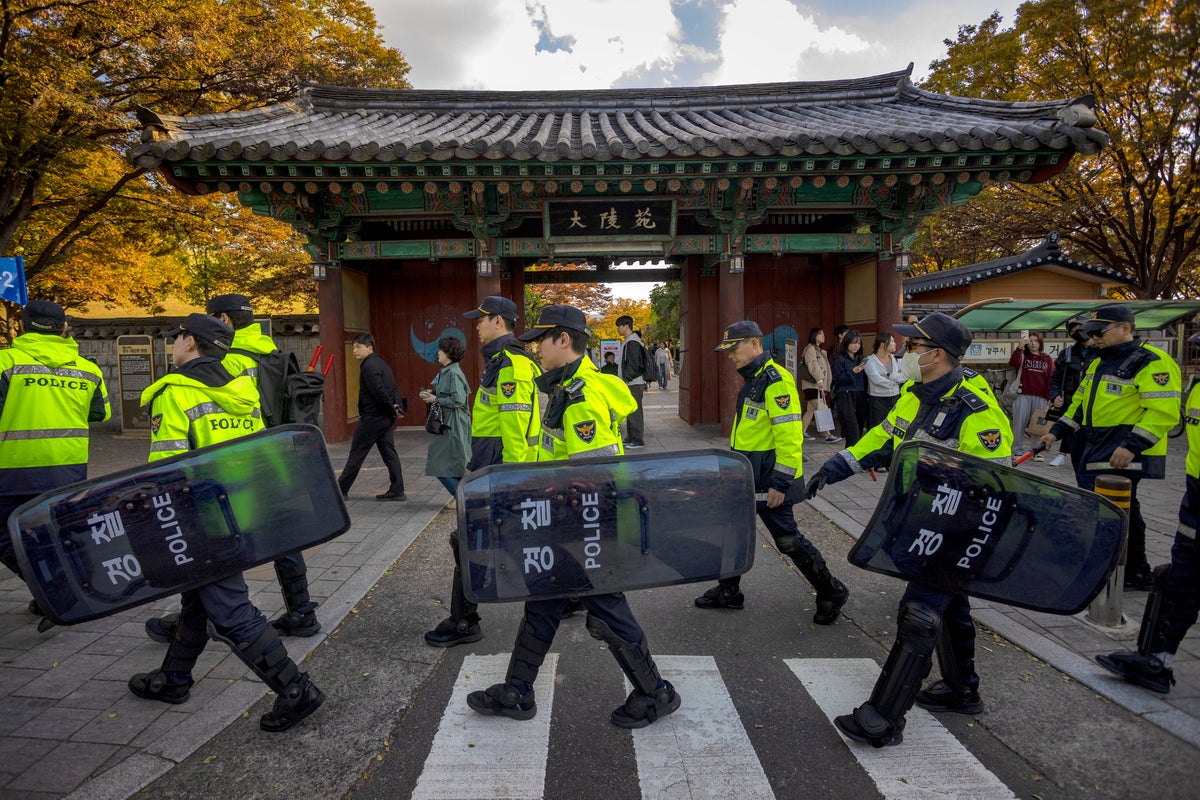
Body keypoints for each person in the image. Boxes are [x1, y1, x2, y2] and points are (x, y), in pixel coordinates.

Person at [466, 304, 680, 728]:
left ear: (563, 339)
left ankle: (654, 692)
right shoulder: (567, 388)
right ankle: (517, 691)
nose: (534, 351)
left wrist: (540, 500)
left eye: (539, 342)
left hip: (584, 527)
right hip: (563, 521)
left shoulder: (580, 397)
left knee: (607, 611)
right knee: (542, 602)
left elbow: (593, 479)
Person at [805, 312, 1013, 748]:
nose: (903, 352)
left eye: (914, 347)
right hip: (921, 522)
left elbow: (997, 486)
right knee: (950, 607)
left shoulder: (975, 410)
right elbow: (883, 435)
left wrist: (959, 542)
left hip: (954, 531)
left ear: (937, 355)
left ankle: (882, 719)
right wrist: (838, 466)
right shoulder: (915, 395)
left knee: (919, 613)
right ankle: (962, 689)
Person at [127, 314, 323, 732]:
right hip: (244, 509)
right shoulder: (243, 389)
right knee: (198, 599)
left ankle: (296, 689)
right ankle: (173, 678)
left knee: (231, 611)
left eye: (177, 337)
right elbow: (259, 453)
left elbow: (165, 470)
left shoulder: (175, 392)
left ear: (192, 343)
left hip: (199, 519)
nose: (173, 344)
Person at [144, 294, 321, 643]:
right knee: (282, 539)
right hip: (274, 455)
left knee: (211, 550)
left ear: (222, 319)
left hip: (233, 463)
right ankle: (301, 610)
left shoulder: (228, 359)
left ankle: (202, 623)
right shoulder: (271, 351)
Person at [692, 320, 849, 624]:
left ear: (754, 343)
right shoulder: (754, 377)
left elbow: (790, 437)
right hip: (747, 474)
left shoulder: (775, 380)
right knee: (733, 532)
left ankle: (831, 590)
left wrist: (780, 482)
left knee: (787, 539)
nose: (730, 357)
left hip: (769, 480)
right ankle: (729, 591)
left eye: (733, 349)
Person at [424, 296, 541, 647]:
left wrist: (512, 479)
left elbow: (515, 427)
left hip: (500, 470)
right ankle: (572, 595)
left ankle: (464, 621)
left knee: (468, 541)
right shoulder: (503, 361)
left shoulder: (510, 365)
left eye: (482, 319)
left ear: (499, 322)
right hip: (494, 466)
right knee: (511, 541)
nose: (476, 326)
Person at [1038, 305, 1180, 591]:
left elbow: (1163, 412)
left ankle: (1115, 571)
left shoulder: (1152, 362)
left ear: (1125, 329)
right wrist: (1055, 432)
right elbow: (1079, 403)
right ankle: (1129, 569)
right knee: (1118, 509)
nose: (1093, 339)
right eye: (1090, 334)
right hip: (1097, 445)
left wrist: (1132, 446)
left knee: (1109, 509)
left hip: (1125, 451)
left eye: (1099, 333)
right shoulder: (1098, 361)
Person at [1096, 333, 1200, 694]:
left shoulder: (1154, 366)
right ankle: (1156, 661)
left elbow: (1161, 413)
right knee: (1178, 577)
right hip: (1196, 491)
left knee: (1183, 577)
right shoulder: (1198, 384)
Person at [0, 300, 110, 630]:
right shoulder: (88, 369)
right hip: (68, 470)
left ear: (22, 325)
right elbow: (100, 414)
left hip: (12, 469)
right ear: (63, 328)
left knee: (7, 536)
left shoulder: (6, 362)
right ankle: (71, 587)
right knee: (60, 532)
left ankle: (54, 588)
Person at [338, 333, 406, 500]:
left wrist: (392, 409)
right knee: (389, 452)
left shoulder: (368, 366)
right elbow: (393, 389)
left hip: (373, 417)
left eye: (358, 347)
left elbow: (379, 391)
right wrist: (398, 409)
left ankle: (340, 490)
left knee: (357, 452)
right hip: (384, 418)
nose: (354, 350)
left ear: (369, 347)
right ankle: (397, 490)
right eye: (353, 347)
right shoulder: (382, 364)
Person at [421, 335, 471, 499]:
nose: (438, 353)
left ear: (448, 352)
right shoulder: (447, 372)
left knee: (441, 464)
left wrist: (436, 399)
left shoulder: (453, 373)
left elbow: (458, 399)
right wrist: (432, 393)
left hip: (453, 423)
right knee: (451, 464)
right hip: (449, 422)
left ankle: (463, 498)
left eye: (441, 350)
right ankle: (465, 496)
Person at [1046, 318, 1095, 467]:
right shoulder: (1067, 353)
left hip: (1093, 402)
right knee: (1069, 429)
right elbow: (1055, 378)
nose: (1077, 333)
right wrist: (1055, 396)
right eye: (1073, 331)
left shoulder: (1101, 352)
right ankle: (1063, 455)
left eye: (1080, 328)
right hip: (1070, 400)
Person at [1008, 331, 1055, 460]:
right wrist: (1020, 346)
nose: (1033, 344)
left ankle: (1036, 450)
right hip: (1022, 394)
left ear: (1041, 343)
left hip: (1040, 397)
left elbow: (1050, 379)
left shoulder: (1047, 359)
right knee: (1019, 423)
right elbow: (1013, 363)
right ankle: (1017, 449)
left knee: (1038, 426)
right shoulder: (1023, 356)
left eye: (1036, 341)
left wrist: (1049, 398)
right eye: (1031, 341)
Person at [800, 327, 839, 443]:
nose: (823, 336)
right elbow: (812, 365)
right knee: (821, 408)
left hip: (815, 385)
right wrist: (820, 380)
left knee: (810, 410)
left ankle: (800, 432)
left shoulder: (819, 351)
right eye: (820, 334)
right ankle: (827, 434)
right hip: (813, 385)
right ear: (814, 336)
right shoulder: (810, 349)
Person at [831, 330, 869, 446]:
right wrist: (852, 372)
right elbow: (838, 379)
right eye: (853, 343)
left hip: (861, 395)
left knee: (859, 429)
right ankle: (849, 460)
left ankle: (853, 458)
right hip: (846, 396)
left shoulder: (860, 359)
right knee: (852, 432)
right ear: (847, 343)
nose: (856, 346)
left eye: (858, 343)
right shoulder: (840, 358)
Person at [616, 315, 647, 448]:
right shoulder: (630, 341)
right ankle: (631, 437)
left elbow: (633, 364)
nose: (617, 329)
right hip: (630, 382)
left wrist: (626, 379)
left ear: (626, 326)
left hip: (633, 383)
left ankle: (638, 440)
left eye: (619, 326)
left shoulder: (632, 342)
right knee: (630, 410)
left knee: (635, 411)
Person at [864, 332, 906, 428]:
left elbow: (904, 377)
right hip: (878, 400)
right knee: (878, 427)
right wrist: (896, 380)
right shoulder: (870, 361)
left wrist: (889, 375)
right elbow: (877, 380)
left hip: (895, 397)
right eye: (891, 341)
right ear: (883, 344)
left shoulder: (896, 359)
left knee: (893, 428)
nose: (895, 343)